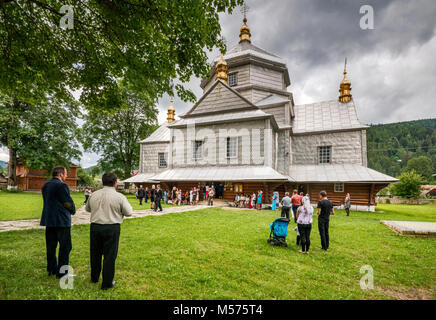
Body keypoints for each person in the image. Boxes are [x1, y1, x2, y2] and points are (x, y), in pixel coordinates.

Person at [86, 172, 133, 290]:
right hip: (112, 227)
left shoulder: (94, 195)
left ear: (103, 182)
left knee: (95, 253)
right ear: (115, 183)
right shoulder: (119, 197)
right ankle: (106, 283)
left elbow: (88, 208)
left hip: (95, 226)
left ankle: (94, 277)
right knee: (109, 255)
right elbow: (129, 212)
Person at [40, 166, 76, 279]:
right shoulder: (61, 185)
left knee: (51, 246)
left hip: (49, 219)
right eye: (65, 174)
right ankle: (62, 273)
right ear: (60, 174)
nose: (66, 176)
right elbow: (67, 202)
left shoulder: (46, 185)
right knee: (65, 247)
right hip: (61, 221)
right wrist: (73, 210)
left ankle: (51, 268)